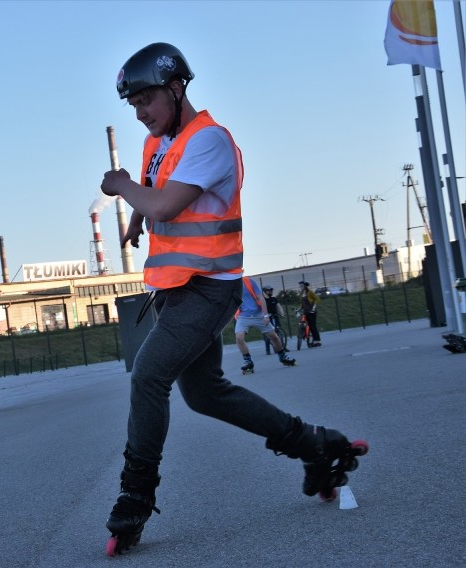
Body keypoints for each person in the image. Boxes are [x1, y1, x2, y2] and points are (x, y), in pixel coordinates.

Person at [99, 42, 367, 556]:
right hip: (178, 291)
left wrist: (125, 189)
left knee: (149, 376)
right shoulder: (160, 143)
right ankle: (315, 444)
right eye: (133, 106)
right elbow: (158, 198)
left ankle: (134, 496)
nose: (140, 114)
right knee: (204, 394)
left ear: (177, 88)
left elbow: (165, 199)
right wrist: (138, 216)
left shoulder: (211, 141)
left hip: (209, 289)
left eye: (146, 101)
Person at [236, 277, 295, 373]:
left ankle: (283, 357)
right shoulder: (228, 285)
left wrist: (265, 315)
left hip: (258, 314)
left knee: (274, 336)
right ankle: (248, 362)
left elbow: (261, 298)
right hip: (243, 316)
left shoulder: (248, 281)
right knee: (239, 337)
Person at [262, 285, 286, 355]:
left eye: (271, 291)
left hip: (275, 316)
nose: (270, 292)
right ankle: (268, 350)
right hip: (267, 318)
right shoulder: (263, 300)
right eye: (268, 291)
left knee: (278, 330)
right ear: (265, 292)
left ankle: (283, 347)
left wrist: (282, 313)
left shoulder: (274, 299)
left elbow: (279, 306)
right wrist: (264, 316)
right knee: (268, 333)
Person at [299, 281, 322, 347]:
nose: (300, 287)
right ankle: (311, 338)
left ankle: (317, 341)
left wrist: (314, 308)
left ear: (305, 286)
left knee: (313, 326)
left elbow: (317, 299)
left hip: (312, 312)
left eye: (301, 286)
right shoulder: (301, 293)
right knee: (309, 326)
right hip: (306, 312)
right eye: (300, 286)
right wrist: (299, 309)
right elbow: (302, 303)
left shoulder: (310, 292)